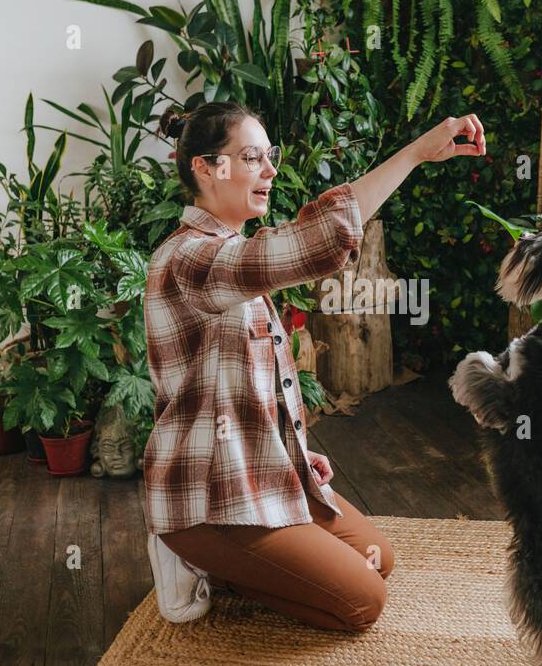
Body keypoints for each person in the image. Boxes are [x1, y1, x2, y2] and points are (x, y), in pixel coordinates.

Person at [143, 99, 486, 630]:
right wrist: (416, 153)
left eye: (269, 155)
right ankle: (196, 554)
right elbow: (318, 241)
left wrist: (293, 456)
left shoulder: (233, 257)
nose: (270, 170)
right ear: (206, 168)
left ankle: (241, 564)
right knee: (362, 602)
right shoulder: (190, 259)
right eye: (252, 157)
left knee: (380, 559)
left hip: (255, 473)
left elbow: (245, 389)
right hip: (208, 499)